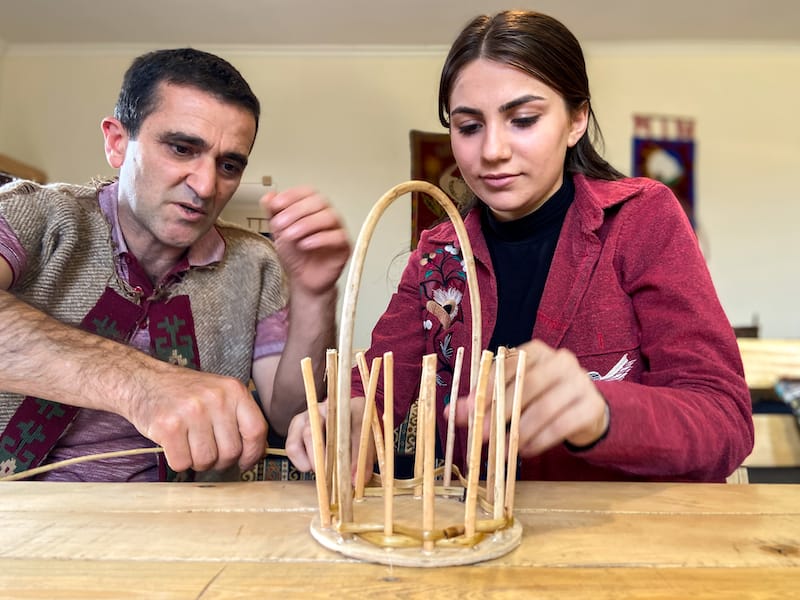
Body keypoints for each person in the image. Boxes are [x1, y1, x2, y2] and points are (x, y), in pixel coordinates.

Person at [286, 10, 753, 482]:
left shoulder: (641, 220)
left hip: (619, 541)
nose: (492, 151)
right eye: (469, 127)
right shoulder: (437, 256)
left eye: (523, 120)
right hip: (475, 540)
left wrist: (602, 414)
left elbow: (725, 421)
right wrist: (344, 416)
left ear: (576, 121)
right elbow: (374, 391)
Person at [0, 48, 350, 482]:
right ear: (116, 142)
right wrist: (142, 383)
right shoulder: (35, 214)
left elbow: (289, 415)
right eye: (182, 149)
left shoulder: (256, 263)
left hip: (191, 530)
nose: (206, 186)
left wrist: (316, 294)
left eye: (228, 165)